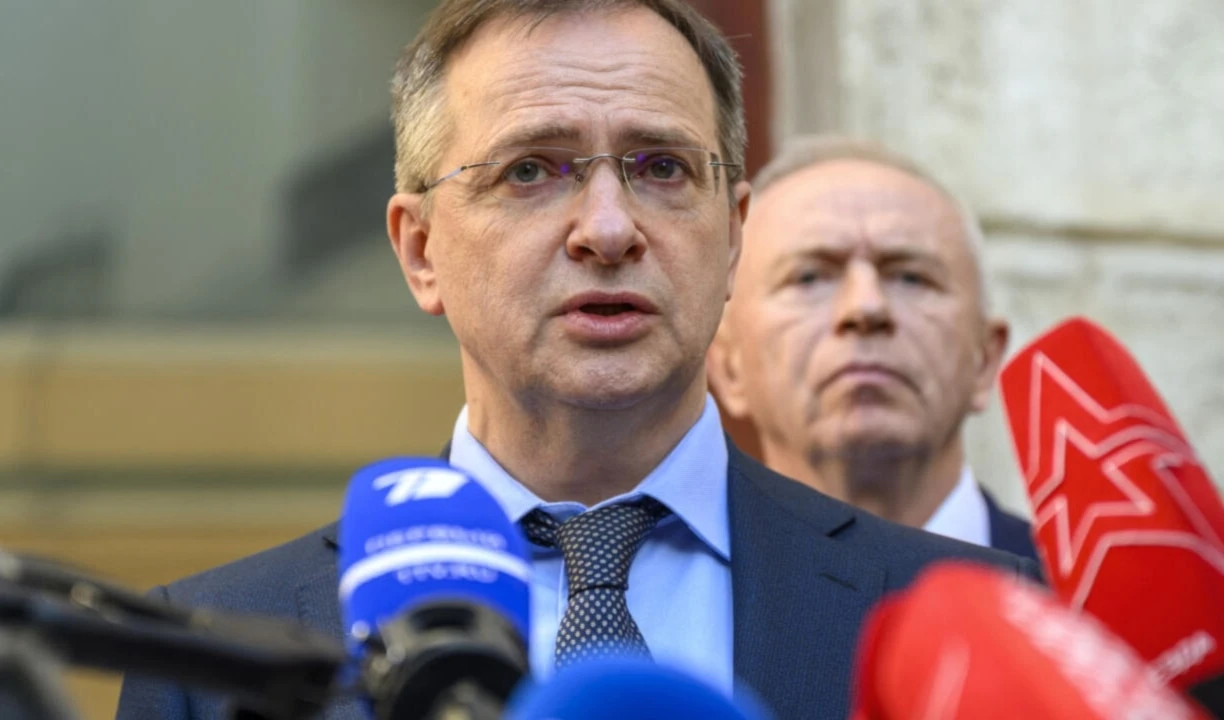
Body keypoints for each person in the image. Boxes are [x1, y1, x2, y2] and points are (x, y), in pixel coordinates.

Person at [116, 4, 1038, 720]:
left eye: (662, 168)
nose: (607, 229)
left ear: (733, 239)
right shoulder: (222, 657)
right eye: (532, 169)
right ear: (421, 250)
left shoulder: (968, 615)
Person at [707, 136, 1038, 561]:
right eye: (809, 278)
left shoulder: (1097, 610)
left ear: (985, 360)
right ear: (728, 366)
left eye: (911, 278)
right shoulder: (670, 613)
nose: (866, 307)